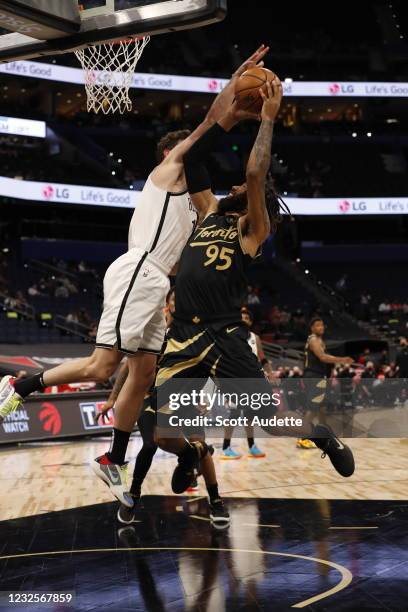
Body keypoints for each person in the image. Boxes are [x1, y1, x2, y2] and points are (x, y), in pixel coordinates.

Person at [0, 45, 270, 507]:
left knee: (143, 375)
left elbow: (231, 190)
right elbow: (207, 126)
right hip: (139, 270)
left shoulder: (201, 203)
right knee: (102, 366)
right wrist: (234, 87)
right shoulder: (170, 170)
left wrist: (242, 118)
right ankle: (18, 387)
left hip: (156, 283)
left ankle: (114, 458)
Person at [151, 79, 355, 496]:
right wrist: (225, 107)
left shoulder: (251, 231)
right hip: (183, 335)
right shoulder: (208, 212)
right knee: (162, 435)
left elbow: (255, 171)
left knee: (269, 421)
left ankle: (322, 436)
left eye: (240, 191)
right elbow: (194, 160)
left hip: (224, 334)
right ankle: (190, 454)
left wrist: (267, 119)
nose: (234, 188)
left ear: (251, 201)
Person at [98, 287, 229, 527]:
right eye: (175, 299)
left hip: (185, 398)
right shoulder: (156, 330)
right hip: (150, 396)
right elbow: (128, 366)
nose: (179, 303)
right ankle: (134, 494)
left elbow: (213, 369)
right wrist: (112, 398)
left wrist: (207, 398)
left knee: (201, 445)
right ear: (168, 304)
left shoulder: (199, 335)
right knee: (152, 442)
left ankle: (216, 501)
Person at [221, 307, 273, 459]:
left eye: (247, 318)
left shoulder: (254, 337)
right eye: (241, 317)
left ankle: (251, 446)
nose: (244, 320)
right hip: (235, 381)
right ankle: (225, 447)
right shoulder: (231, 336)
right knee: (234, 413)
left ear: (250, 322)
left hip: (253, 382)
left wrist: (270, 372)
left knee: (250, 415)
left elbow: (262, 358)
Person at [296, 317, 353, 449]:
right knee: (313, 407)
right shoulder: (313, 339)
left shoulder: (320, 340)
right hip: (314, 376)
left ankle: (324, 434)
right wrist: (342, 359)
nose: (321, 327)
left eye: (322, 325)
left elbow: (324, 358)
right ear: (312, 328)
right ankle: (302, 437)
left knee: (321, 407)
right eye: (317, 325)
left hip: (318, 375)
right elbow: (322, 357)